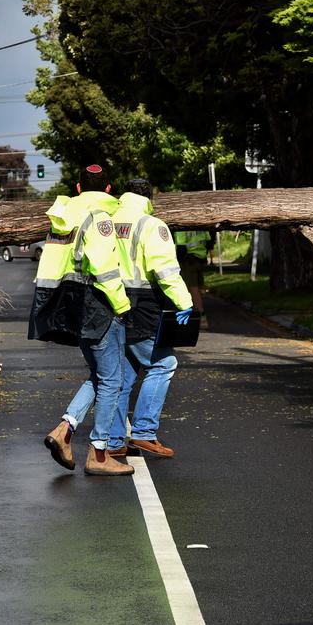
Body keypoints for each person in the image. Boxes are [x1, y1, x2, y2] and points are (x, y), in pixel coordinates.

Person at [31, 164, 134, 476]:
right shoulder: (100, 218)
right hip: (99, 307)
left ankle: (65, 430)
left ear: (78, 188)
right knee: (113, 381)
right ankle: (99, 455)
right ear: (108, 190)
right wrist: (122, 305)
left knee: (100, 375)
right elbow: (104, 268)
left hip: (72, 307)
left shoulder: (65, 216)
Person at [107, 178, 193, 459]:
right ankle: (144, 433)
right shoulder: (151, 224)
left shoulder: (106, 221)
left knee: (124, 376)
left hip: (108, 301)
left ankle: (116, 440)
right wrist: (184, 302)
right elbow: (165, 270)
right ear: (148, 197)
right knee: (163, 363)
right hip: (141, 303)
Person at [173, 229, 214, 329]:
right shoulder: (200, 224)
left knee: (192, 289)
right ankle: (198, 314)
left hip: (189, 260)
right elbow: (209, 241)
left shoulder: (182, 226)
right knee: (199, 288)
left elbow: (181, 247)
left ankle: (201, 317)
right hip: (200, 258)